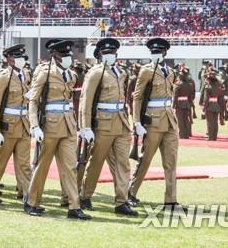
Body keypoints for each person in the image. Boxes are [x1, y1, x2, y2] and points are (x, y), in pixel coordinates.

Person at [26, 39, 91, 220]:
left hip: (68, 125)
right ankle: (32, 202)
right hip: (49, 126)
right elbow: (33, 100)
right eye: (64, 55)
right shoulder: (44, 74)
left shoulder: (70, 74)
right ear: (55, 56)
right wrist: (34, 126)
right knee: (42, 166)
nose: (68, 58)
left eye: (68, 55)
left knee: (70, 167)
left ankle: (74, 206)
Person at [78, 38, 137, 216]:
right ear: (99, 55)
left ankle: (121, 201)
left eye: (112, 53)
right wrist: (85, 127)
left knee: (123, 164)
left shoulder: (121, 72)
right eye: (106, 53)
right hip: (102, 124)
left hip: (121, 122)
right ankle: (85, 196)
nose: (110, 55)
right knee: (96, 162)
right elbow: (85, 101)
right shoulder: (95, 73)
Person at [129, 38, 185, 211]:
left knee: (171, 163)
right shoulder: (146, 71)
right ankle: (130, 193)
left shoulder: (170, 71)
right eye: (153, 52)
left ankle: (171, 200)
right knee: (145, 160)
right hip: (152, 120)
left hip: (169, 120)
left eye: (159, 52)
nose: (156, 55)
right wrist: (137, 122)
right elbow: (137, 97)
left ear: (165, 53)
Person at [0, 44, 31, 208]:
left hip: (23, 124)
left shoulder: (25, 74)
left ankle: (30, 198)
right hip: (7, 126)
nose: (22, 60)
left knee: (24, 165)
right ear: (10, 59)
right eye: (19, 57)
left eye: (23, 57)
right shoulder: (3, 76)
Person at [203, 68, 225, 141]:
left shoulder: (208, 86)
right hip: (216, 105)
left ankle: (210, 136)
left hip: (209, 105)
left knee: (210, 122)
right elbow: (221, 98)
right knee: (215, 122)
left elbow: (206, 99)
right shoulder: (219, 85)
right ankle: (214, 136)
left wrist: (204, 107)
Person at [173, 67, 194, 139]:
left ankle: (181, 134)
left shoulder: (178, 84)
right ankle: (186, 134)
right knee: (186, 119)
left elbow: (175, 96)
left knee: (180, 120)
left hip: (179, 103)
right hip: (187, 103)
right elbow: (191, 96)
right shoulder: (189, 84)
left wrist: (173, 105)